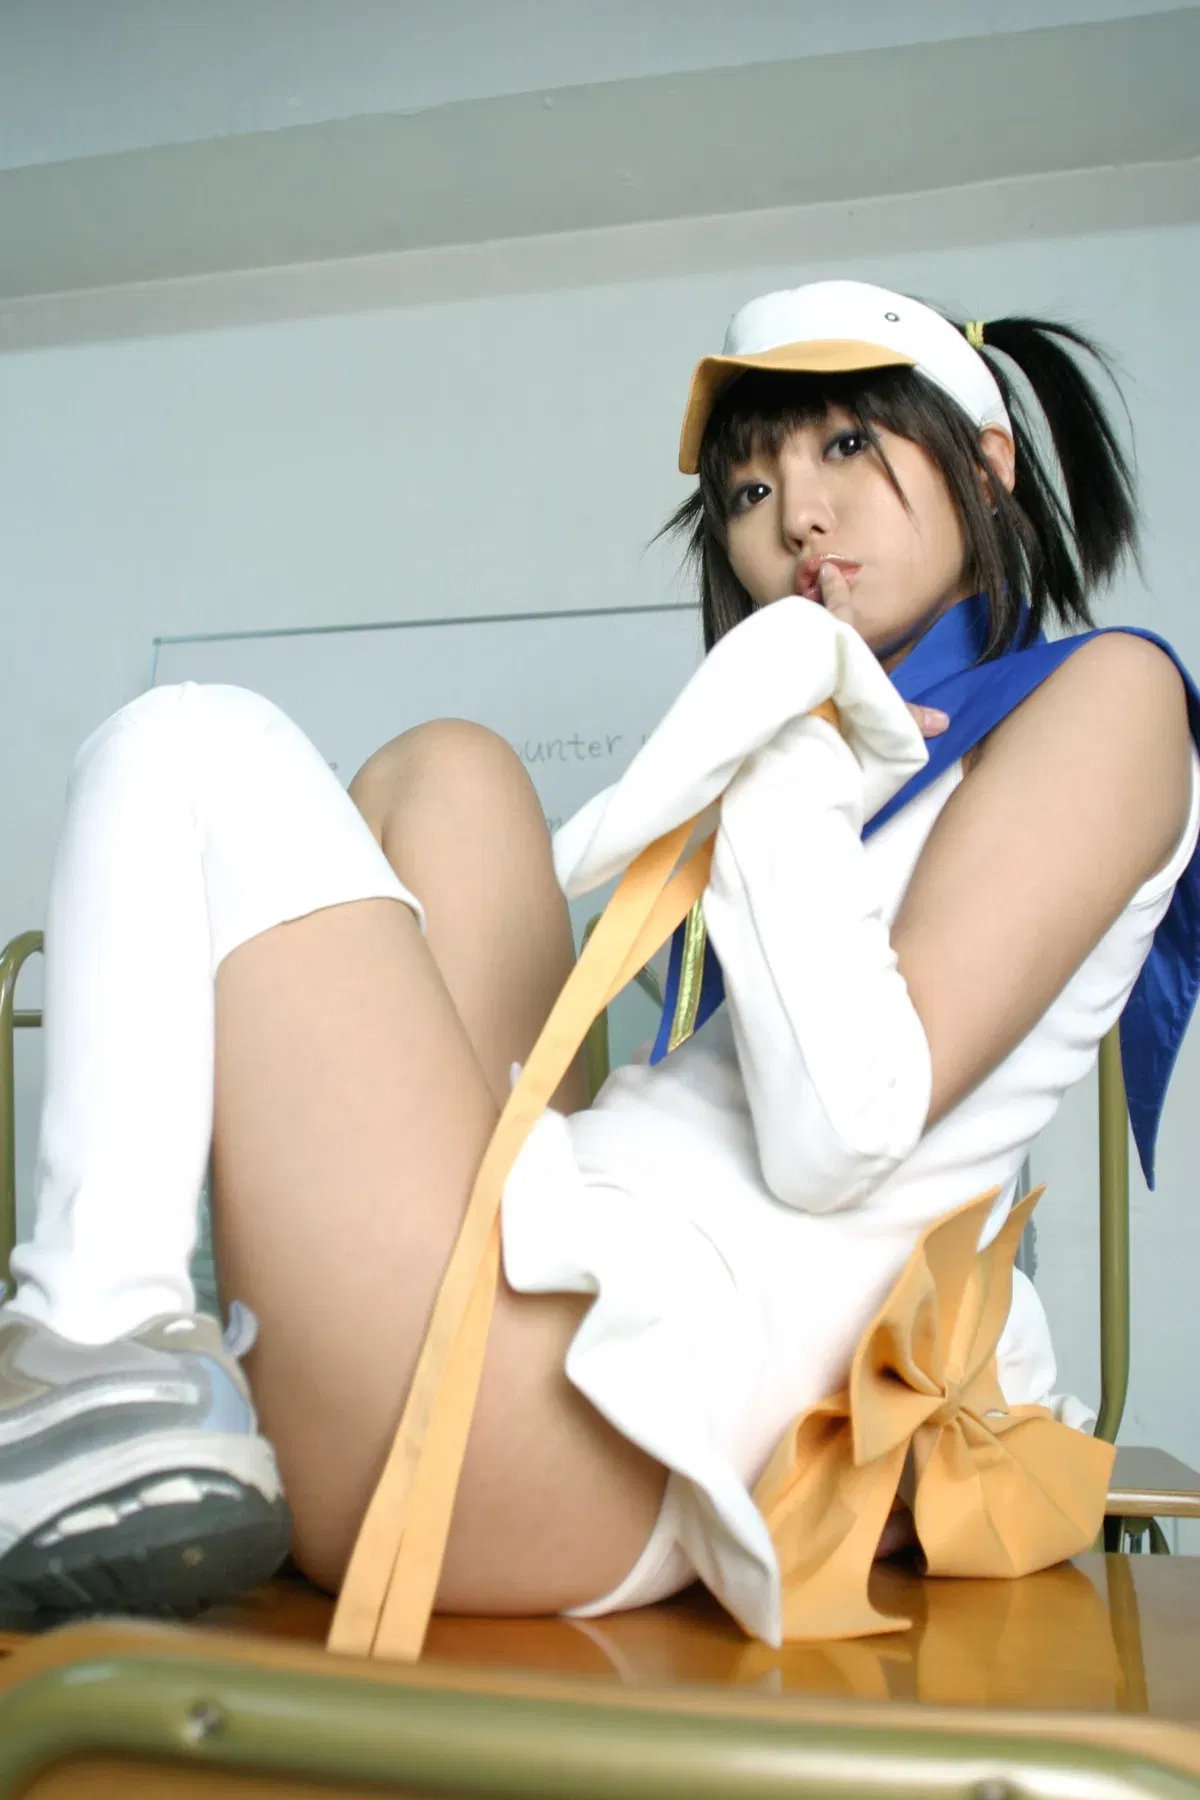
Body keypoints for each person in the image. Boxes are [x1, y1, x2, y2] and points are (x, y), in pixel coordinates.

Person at [0, 280, 1195, 1645]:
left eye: (848, 444)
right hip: (534, 1321)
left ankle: (92, 1356)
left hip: (570, 1433)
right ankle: (143, 1370)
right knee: (454, 773)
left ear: (989, 462)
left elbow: (841, 1135)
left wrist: (786, 762)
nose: (798, 518)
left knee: (187, 743)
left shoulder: (1111, 695)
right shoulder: (856, 746)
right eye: (751, 491)